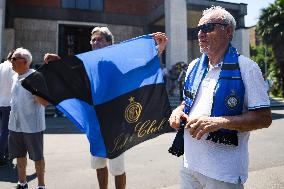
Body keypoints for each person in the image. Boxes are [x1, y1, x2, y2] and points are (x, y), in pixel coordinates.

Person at [43, 27, 168, 189]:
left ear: (109, 42)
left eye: (99, 39)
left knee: (117, 167)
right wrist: (58, 62)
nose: (95, 42)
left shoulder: (117, 60)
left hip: (116, 121)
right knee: (98, 163)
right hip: (95, 120)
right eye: (93, 40)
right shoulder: (86, 63)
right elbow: (71, 75)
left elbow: (140, 66)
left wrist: (157, 50)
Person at [169, 6, 272, 189]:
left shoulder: (247, 67)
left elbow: (263, 118)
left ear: (229, 31)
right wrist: (177, 111)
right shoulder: (194, 67)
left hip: (223, 174)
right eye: (198, 29)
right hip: (189, 165)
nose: (201, 34)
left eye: (208, 27)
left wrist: (219, 122)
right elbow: (187, 102)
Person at [8, 47, 48, 189]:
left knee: (37, 157)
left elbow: (44, 102)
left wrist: (33, 89)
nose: (10, 61)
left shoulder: (36, 77)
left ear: (25, 62)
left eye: (14, 59)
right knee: (19, 156)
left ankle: (41, 185)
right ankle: (22, 182)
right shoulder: (14, 77)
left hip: (32, 126)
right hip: (15, 125)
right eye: (10, 59)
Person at [0, 50, 15, 167]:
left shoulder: (0, 66)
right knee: (6, 130)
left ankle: (6, 152)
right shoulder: (13, 68)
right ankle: (2, 155)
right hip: (8, 103)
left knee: (3, 130)